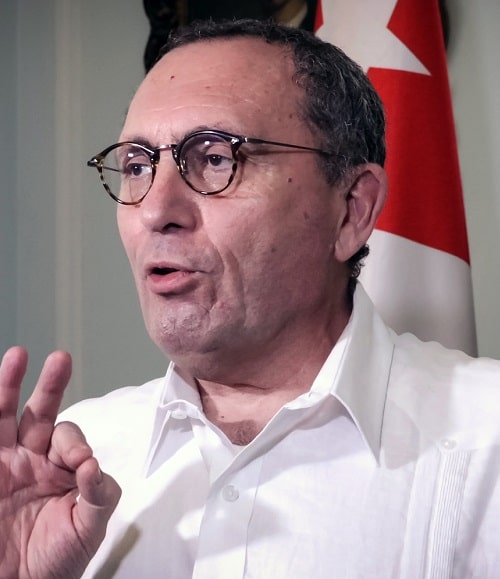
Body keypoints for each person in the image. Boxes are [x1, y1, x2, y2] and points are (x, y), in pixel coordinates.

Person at [1, 17, 499, 579]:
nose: (156, 210)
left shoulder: (488, 438)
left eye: (216, 158)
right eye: (137, 166)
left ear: (351, 210)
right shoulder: (72, 461)